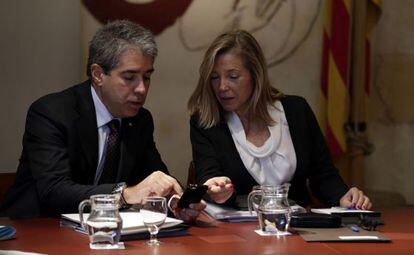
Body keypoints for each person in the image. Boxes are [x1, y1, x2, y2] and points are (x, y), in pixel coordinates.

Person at [0, 20, 205, 220]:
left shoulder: (140, 120)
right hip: (35, 229)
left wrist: (175, 202)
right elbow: (54, 191)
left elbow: (154, 176)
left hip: (102, 234)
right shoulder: (51, 113)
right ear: (98, 74)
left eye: (147, 77)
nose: (142, 88)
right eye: (129, 77)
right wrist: (124, 194)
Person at [188, 30, 372, 210]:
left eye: (233, 76)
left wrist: (344, 197)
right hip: (236, 233)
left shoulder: (297, 110)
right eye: (214, 77)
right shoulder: (205, 121)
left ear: (255, 75)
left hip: (296, 229)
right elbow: (208, 177)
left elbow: (323, 175)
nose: (221, 86)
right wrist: (215, 190)